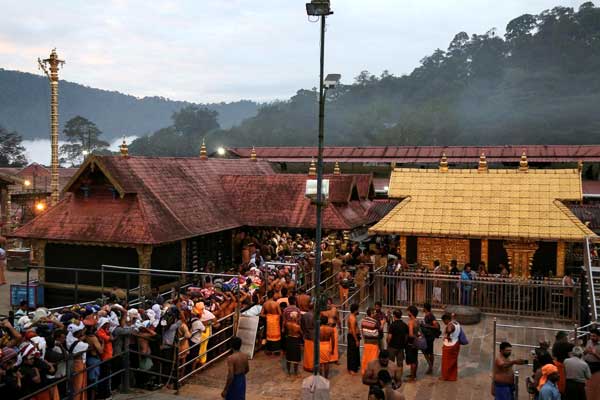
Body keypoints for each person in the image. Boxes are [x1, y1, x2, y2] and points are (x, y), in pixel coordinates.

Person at [387, 309, 408, 379]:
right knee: (400, 363)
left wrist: (388, 343)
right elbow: (406, 337)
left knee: (391, 363)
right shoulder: (405, 325)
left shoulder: (392, 325)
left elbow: (389, 337)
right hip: (401, 347)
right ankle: (399, 377)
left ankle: (391, 376)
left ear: (394, 316)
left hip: (392, 346)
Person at [260, 290, 282, 356]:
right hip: (275, 321)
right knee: (276, 335)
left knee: (269, 335)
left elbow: (261, 314)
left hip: (268, 321)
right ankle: (276, 350)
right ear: (273, 295)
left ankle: (269, 350)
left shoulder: (265, 304)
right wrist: (274, 316)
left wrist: (268, 316)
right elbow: (280, 314)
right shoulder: (276, 303)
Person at [440, 313, 461, 381]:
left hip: (449, 346)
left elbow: (449, 329)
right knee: (453, 362)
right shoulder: (456, 323)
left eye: (444, 321)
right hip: (456, 343)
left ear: (446, 320)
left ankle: (445, 377)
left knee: (446, 363)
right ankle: (452, 377)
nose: (444, 323)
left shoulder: (450, 325)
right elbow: (453, 318)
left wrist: (448, 335)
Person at [421, 303, 440, 375]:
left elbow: (436, 326)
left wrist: (426, 325)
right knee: (429, 351)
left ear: (425, 308)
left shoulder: (430, 316)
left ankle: (430, 366)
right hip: (428, 336)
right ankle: (430, 366)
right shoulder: (428, 315)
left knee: (426, 351)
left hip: (429, 336)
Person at [361, 307, 381, 376]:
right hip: (374, 343)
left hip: (366, 342)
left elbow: (362, 331)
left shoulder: (363, 321)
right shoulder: (375, 322)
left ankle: (364, 371)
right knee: (373, 358)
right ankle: (372, 373)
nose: (375, 313)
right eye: (374, 312)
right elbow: (380, 329)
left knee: (366, 357)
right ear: (371, 314)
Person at [284, 311, 302, 376]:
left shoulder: (287, 324)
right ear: (296, 318)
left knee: (289, 356)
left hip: (289, 339)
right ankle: (296, 372)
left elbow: (286, 331)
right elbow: (301, 333)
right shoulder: (297, 326)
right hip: (295, 340)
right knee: (296, 357)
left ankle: (288, 372)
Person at [405, 306, 419, 382]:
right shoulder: (417, 320)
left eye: (408, 311)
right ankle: (414, 374)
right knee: (415, 359)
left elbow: (410, 334)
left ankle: (412, 378)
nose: (407, 313)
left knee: (412, 360)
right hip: (416, 343)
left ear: (411, 312)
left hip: (411, 343)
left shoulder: (411, 322)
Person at [347, 303, 361, 375]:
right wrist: (356, 340)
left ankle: (355, 366)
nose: (359, 311)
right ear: (355, 310)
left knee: (355, 352)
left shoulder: (354, 316)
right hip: (352, 337)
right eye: (358, 309)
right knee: (352, 353)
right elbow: (352, 330)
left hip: (355, 336)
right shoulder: (352, 318)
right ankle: (351, 369)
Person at [301, 303, 315, 372]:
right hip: (313, 336)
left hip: (306, 335)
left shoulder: (304, 315)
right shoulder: (315, 316)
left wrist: (304, 333)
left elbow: (302, 325)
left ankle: (307, 366)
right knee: (312, 352)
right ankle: (311, 367)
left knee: (307, 352)